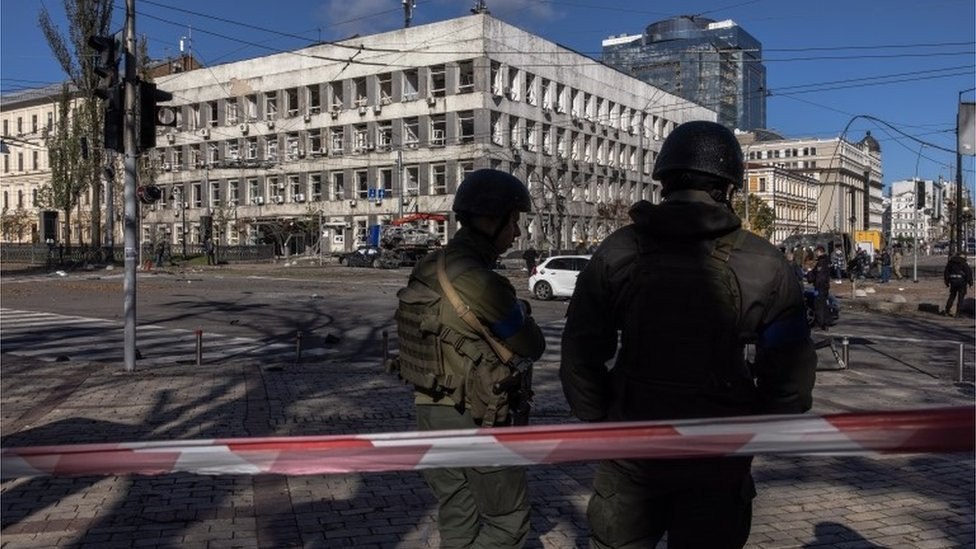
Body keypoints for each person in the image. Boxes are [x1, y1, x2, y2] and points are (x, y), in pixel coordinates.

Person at [560, 121, 816, 549]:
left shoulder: (618, 250)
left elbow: (580, 351)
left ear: (664, 180)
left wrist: (606, 418)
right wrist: (749, 430)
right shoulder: (766, 262)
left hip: (632, 452)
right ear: (728, 187)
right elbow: (791, 376)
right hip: (718, 455)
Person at [393, 169, 546, 548]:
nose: (517, 233)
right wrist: (521, 312)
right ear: (489, 220)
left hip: (430, 409)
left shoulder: (429, 266)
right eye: (513, 222)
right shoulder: (483, 282)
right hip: (477, 414)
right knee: (507, 522)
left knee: (457, 512)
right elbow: (531, 345)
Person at [808, 246, 832, 330]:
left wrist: (815, 283)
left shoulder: (821, 262)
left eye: (816, 252)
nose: (815, 254)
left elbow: (819, 276)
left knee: (819, 305)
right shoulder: (826, 261)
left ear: (819, 252)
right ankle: (826, 323)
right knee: (824, 305)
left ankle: (819, 323)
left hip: (820, 286)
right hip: (825, 286)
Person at [943, 251, 973, 317]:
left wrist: (947, 282)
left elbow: (946, 272)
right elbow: (968, 273)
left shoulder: (951, 262)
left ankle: (947, 310)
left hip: (953, 281)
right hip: (961, 282)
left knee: (952, 296)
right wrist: (970, 283)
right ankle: (958, 313)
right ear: (962, 256)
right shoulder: (963, 262)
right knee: (961, 298)